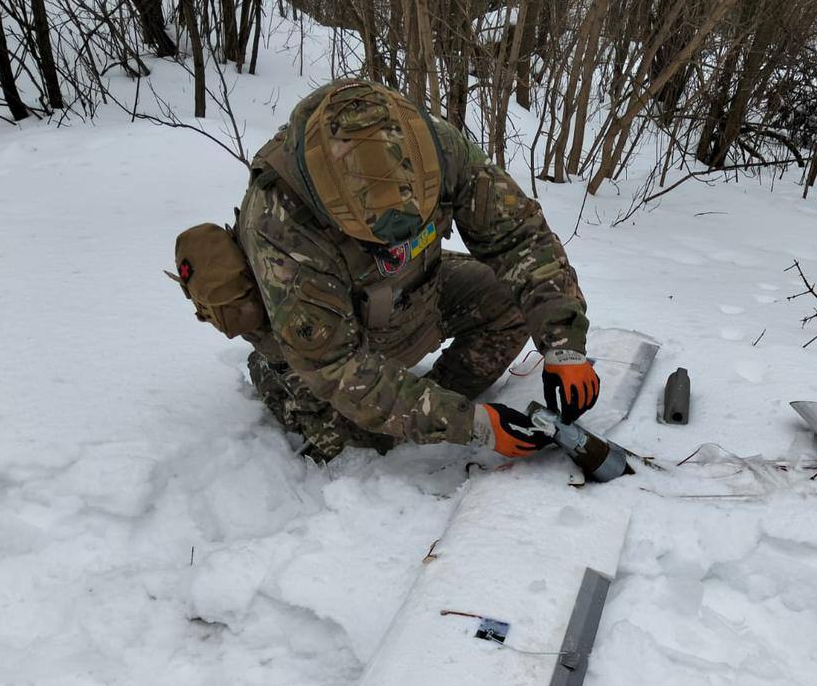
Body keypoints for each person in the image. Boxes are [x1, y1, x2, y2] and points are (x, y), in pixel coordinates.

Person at [170, 78, 599, 463]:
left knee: (508, 302)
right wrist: (469, 426)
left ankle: (429, 400)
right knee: (358, 442)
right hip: (328, 337)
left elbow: (519, 236)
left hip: (411, 292)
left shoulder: (436, 149)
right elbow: (338, 367)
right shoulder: (281, 226)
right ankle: (276, 374)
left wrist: (563, 342)